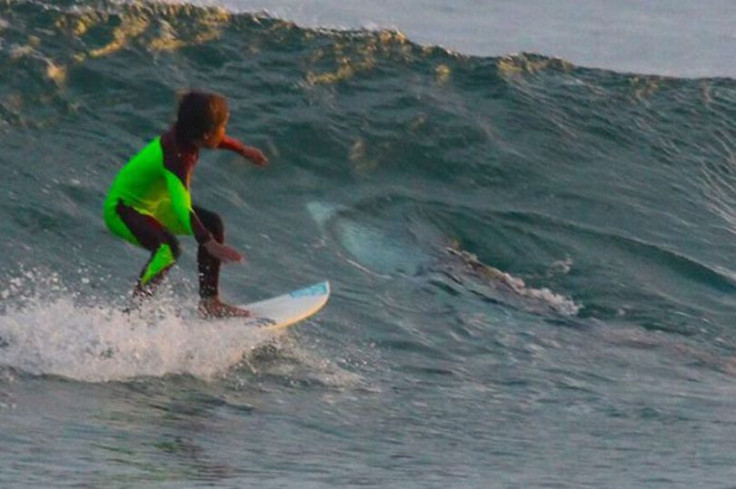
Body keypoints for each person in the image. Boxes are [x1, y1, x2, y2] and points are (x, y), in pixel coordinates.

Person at [103, 90, 268, 317]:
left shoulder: (185, 136)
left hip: (153, 205)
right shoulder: (176, 158)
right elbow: (182, 204)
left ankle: (209, 303)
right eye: (222, 127)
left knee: (212, 223)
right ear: (205, 134)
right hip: (123, 209)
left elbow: (215, 139)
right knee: (167, 249)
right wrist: (208, 242)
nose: (224, 132)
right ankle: (132, 314)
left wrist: (242, 150)